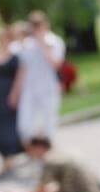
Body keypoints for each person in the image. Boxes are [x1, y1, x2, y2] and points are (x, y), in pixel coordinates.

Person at [10, 11, 65, 144]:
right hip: (29, 89)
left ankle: (48, 151)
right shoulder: (27, 44)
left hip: (48, 88)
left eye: (38, 25)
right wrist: (15, 92)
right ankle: (33, 150)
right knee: (25, 124)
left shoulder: (54, 41)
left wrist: (42, 44)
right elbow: (22, 69)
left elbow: (55, 64)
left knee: (49, 123)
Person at [0, 28, 23, 178]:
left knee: (8, 128)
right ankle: (4, 159)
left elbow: (20, 76)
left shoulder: (15, 57)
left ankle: (9, 159)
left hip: (8, 95)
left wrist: (15, 94)